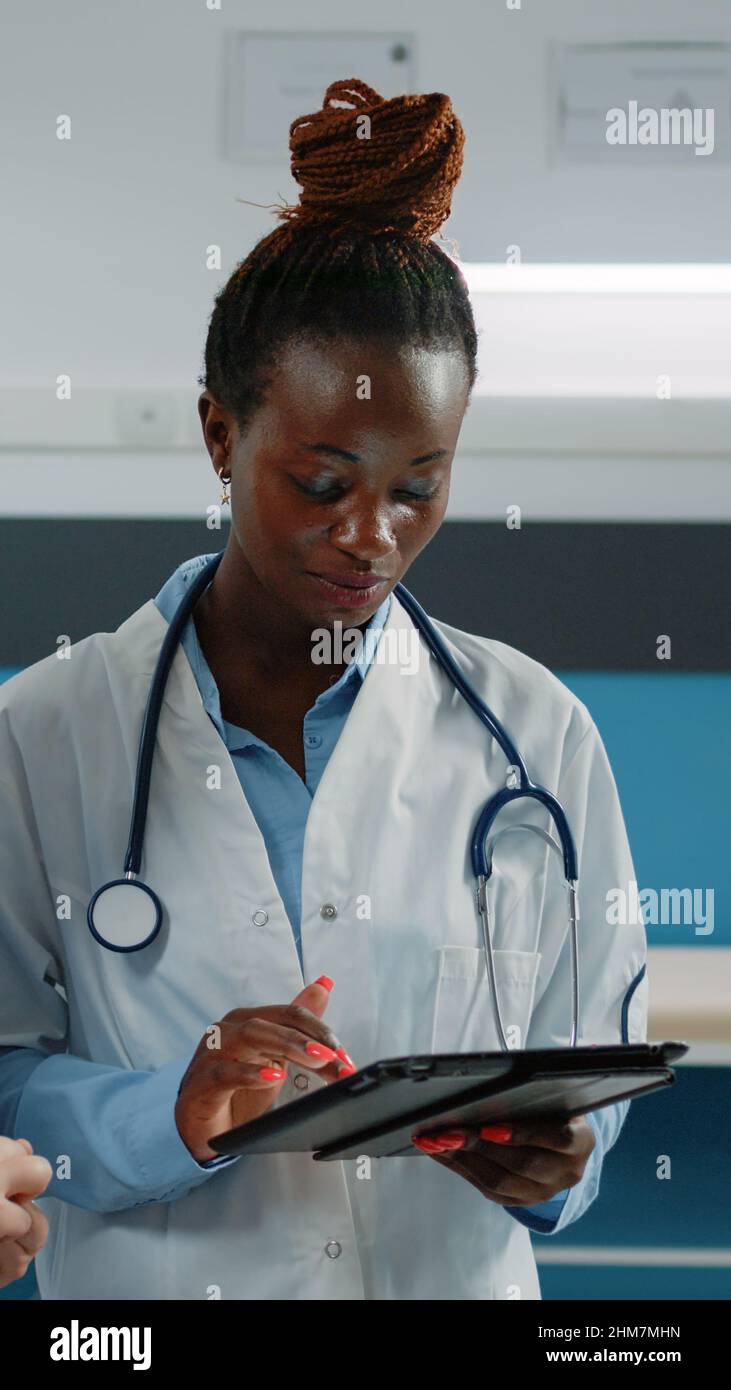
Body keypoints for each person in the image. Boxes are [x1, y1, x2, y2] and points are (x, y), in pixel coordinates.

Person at [0, 77, 647, 1300]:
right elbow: (3, 1078)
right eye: (322, 480)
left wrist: (556, 1158)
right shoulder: (42, 735)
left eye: (418, 485)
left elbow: (590, 1066)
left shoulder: (535, 736)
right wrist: (173, 1109)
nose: (371, 535)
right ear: (218, 435)